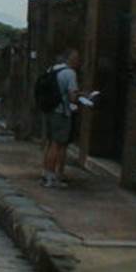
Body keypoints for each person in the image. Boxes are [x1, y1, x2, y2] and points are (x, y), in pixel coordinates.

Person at [42, 49, 81, 188]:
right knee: (59, 145)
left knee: (50, 143)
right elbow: (72, 97)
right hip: (61, 113)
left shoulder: (51, 69)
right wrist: (81, 97)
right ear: (69, 59)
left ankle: (46, 173)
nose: (78, 61)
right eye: (76, 58)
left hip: (49, 110)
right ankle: (55, 177)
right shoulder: (70, 73)